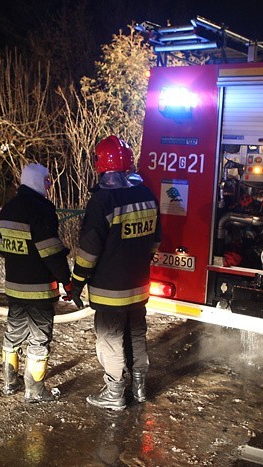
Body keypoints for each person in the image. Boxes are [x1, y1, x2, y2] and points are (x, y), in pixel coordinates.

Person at [71, 135, 161, 411]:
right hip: (139, 286)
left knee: (110, 340)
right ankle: (139, 387)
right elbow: (155, 239)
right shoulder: (146, 193)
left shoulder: (103, 199)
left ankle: (114, 393)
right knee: (136, 335)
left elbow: (89, 249)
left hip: (110, 290)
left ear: (100, 163)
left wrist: (77, 282)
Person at [0, 162, 72, 403]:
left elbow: (2, 247)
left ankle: (10, 382)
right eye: (47, 180)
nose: (49, 185)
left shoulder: (8, 208)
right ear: (37, 181)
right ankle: (35, 391)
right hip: (39, 289)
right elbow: (50, 250)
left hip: (14, 287)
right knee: (39, 339)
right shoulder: (41, 209)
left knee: (13, 334)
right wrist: (66, 280)